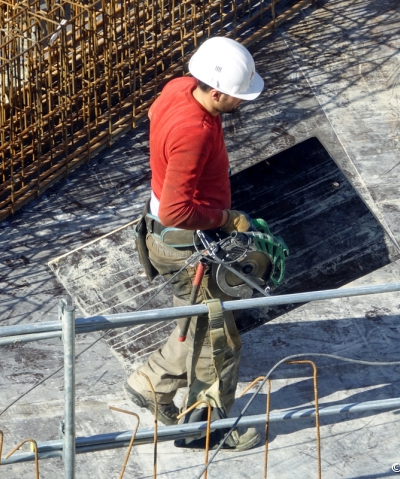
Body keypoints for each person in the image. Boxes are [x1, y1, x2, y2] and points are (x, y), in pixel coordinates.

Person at [125, 36, 265, 451]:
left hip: (164, 233)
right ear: (217, 91)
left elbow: (155, 117)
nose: (241, 104)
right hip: (184, 241)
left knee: (199, 320)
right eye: (237, 97)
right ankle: (203, 430)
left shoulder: (178, 88)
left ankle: (150, 383)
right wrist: (226, 218)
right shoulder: (195, 132)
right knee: (218, 337)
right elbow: (175, 211)